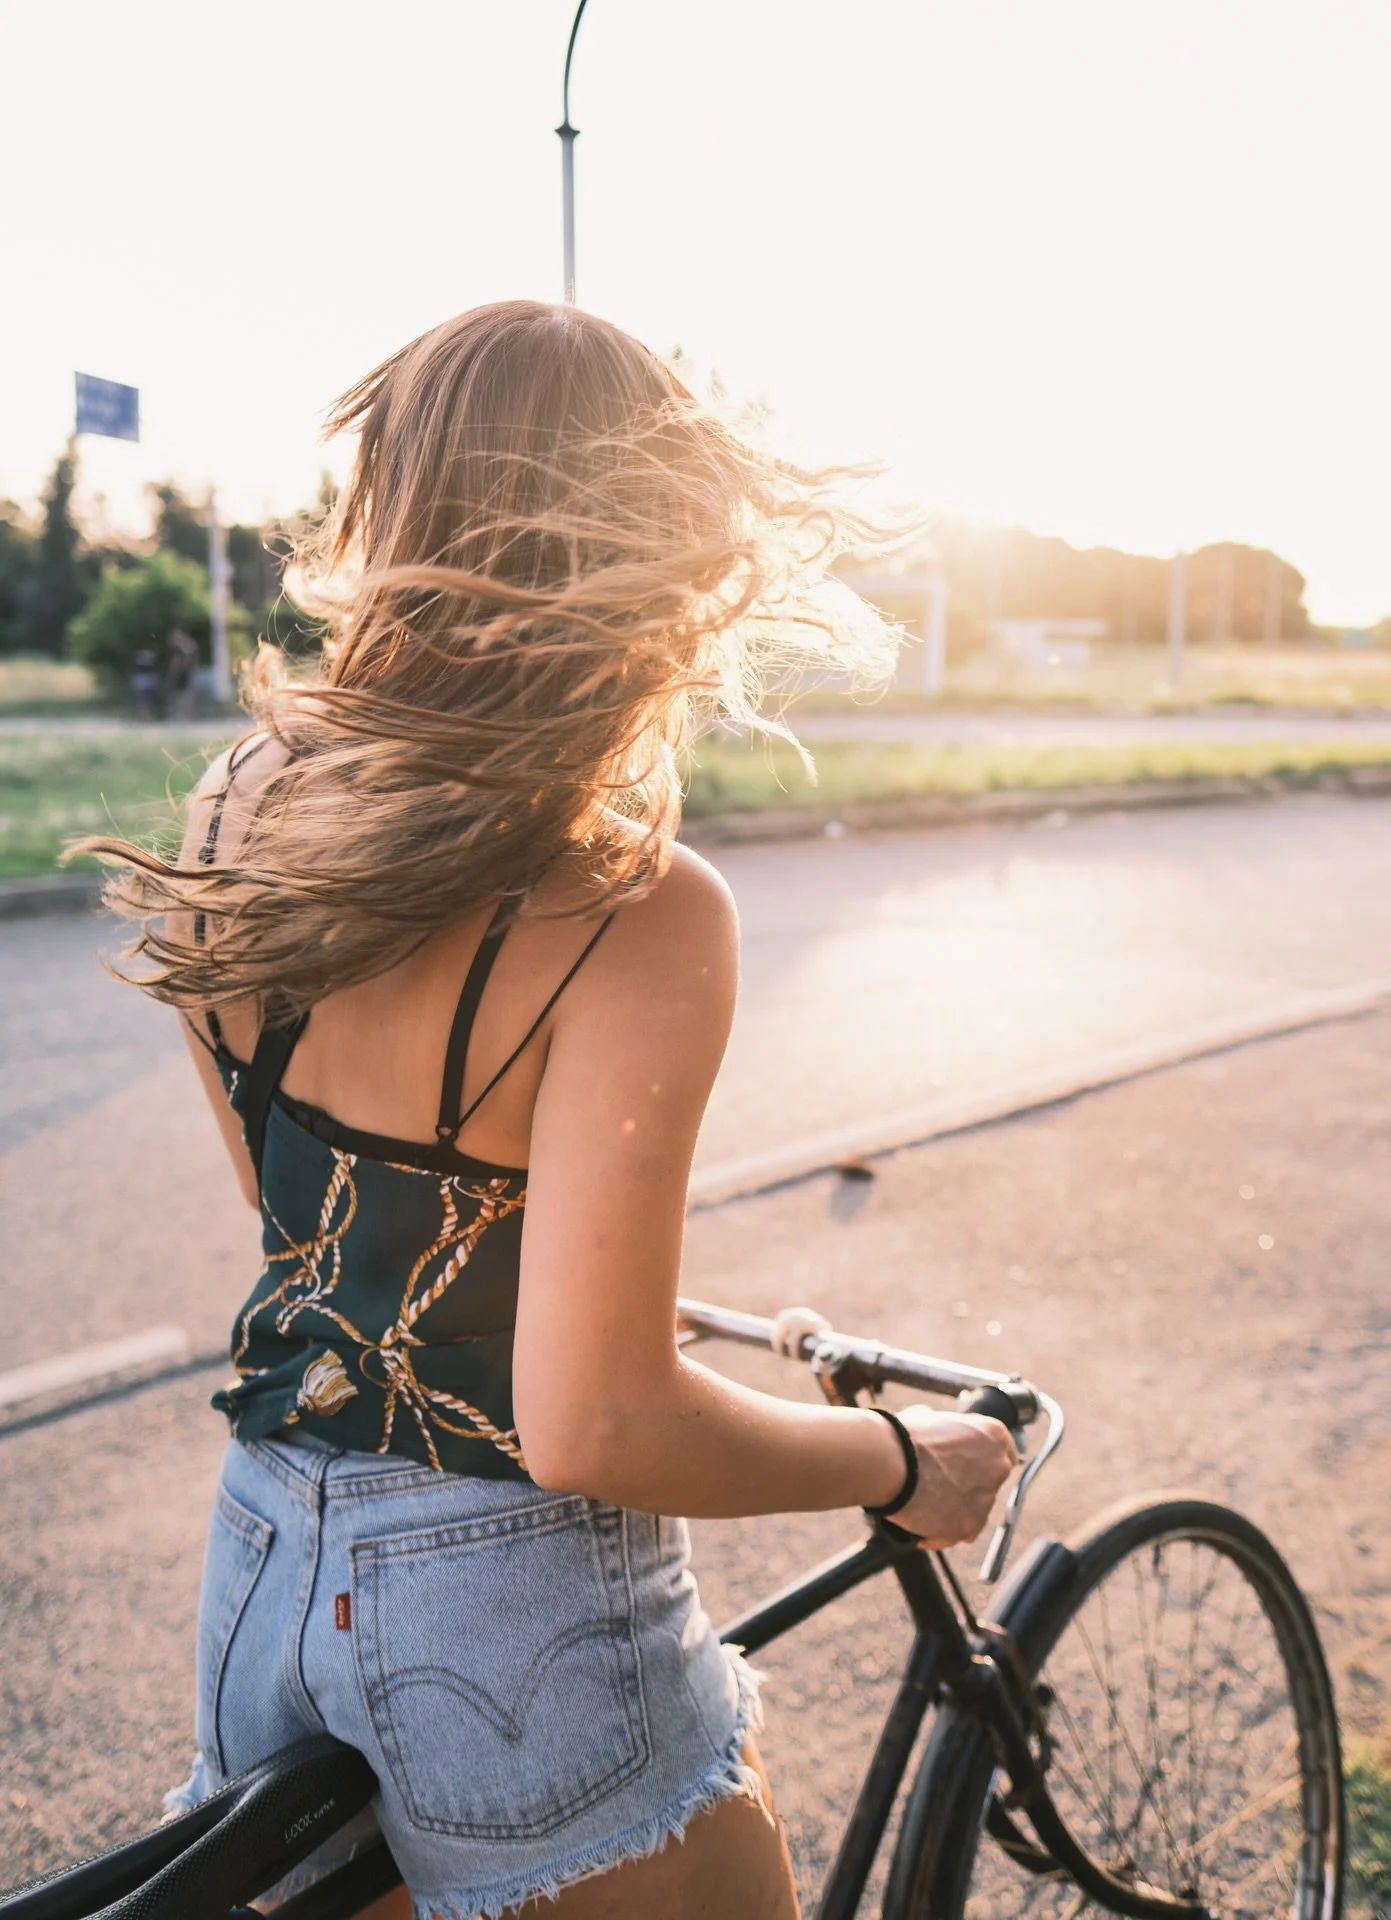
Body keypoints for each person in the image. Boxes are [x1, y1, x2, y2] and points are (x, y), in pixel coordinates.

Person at [83, 301, 1017, 1920]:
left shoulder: (240, 800)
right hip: (502, 1603)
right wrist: (891, 1461)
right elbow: (592, 1422)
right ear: (650, 552)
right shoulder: (635, 913)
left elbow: (305, 1230)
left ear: (392, 509)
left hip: (262, 1556)